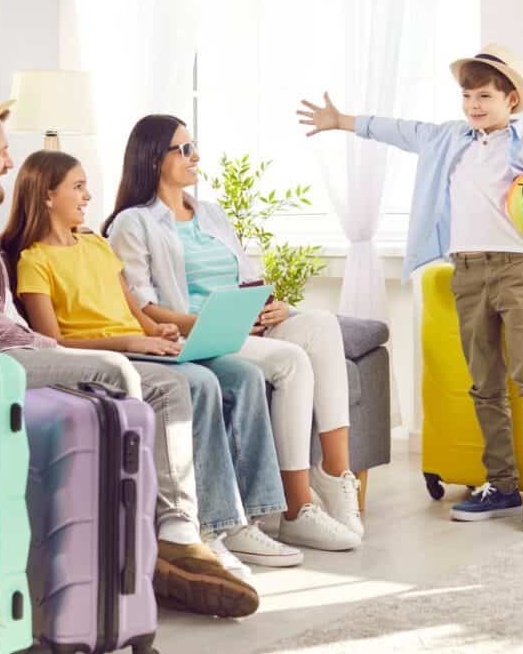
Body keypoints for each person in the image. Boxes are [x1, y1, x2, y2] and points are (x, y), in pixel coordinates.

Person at [0, 88, 257, 617]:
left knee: (166, 380)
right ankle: (172, 542)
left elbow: (5, 290)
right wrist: (50, 347)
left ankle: (170, 536)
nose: (9, 162)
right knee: (137, 376)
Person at [298, 43, 523, 533]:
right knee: (484, 383)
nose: (474, 105)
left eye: (485, 96)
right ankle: (501, 483)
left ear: (511, 99)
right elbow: (396, 130)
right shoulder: (448, 140)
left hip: (518, 272)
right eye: (468, 96)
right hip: (466, 272)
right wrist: (342, 120)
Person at [1, 149, 304, 581]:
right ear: (47, 196)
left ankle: (247, 521)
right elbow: (53, 341)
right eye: (78, 186)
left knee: (245, 375)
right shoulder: (35, 260)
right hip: (109, 354)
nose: (89, 195)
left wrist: (157, 332)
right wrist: (130, 339)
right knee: (199, 383)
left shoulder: (96, 244)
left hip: (142, 343)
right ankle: (211, 526)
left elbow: (134, 311)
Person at [104, 115, 362, 553]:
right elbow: (144, 305)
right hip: (200, 332)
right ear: (153, 159)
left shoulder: (211, 214)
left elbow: (247, 277)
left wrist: (271, 305)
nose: (195, 156)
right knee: (291, 361)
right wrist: (215, 322)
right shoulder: (134, 223)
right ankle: (297, 508)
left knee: (320, 325)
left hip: (243, 319)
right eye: (183, 149)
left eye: (193, 146)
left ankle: (335, 475)